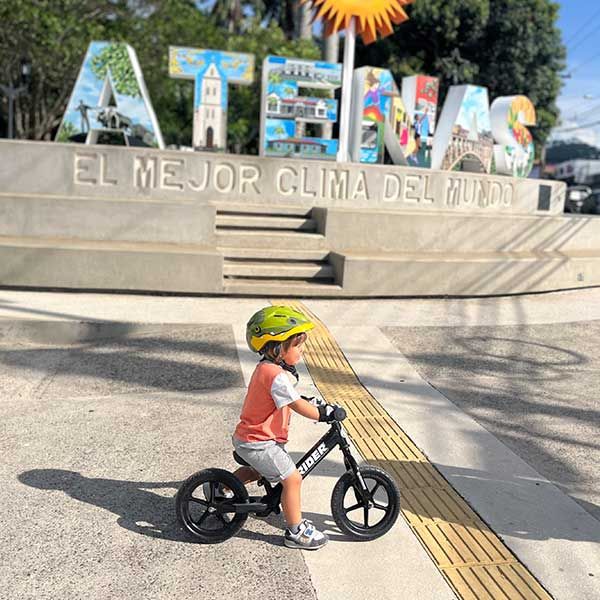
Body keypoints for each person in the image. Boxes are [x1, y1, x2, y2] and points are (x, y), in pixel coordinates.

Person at [231, 305, 337, 550]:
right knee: (292, 479)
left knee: (256, 471)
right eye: (297, 345)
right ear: (277, 347)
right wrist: (322, 413)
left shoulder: (267, 369)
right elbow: (297, 405)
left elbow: (289, 398)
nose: (302, 350)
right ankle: (295, 532)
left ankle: (222, 488)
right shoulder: (276, 375)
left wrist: (312, 402)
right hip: (259, 441)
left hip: (251, 437)